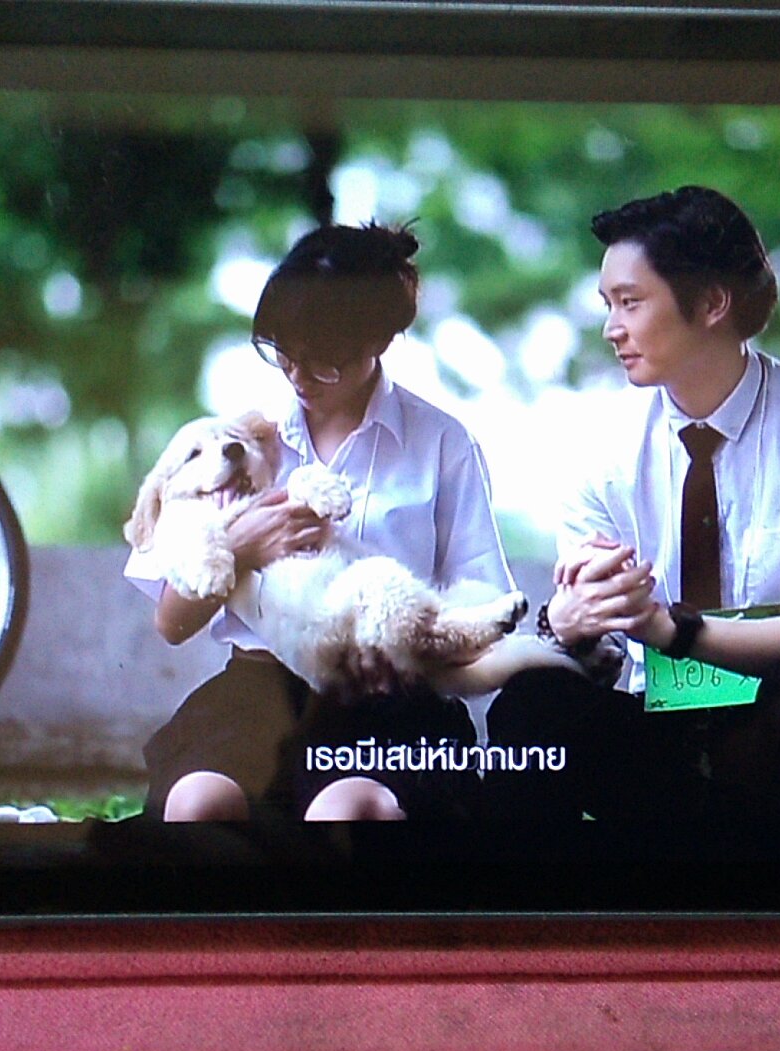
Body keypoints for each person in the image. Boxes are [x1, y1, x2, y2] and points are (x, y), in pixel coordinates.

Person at [485, 186, 780, 824]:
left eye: (630, 302)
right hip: (654, 737)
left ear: (711, 303)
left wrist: (671, 630)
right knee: (531, 704)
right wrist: (569, 624)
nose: (611, 328)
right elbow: (601, 650)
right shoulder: (600, 444)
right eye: (608, 304)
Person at [125, 222, 514, 822]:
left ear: (378, 342)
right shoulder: (236, 443)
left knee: (350, 811)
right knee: (199, 803)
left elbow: (481, 602)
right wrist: (241, 548)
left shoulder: (441, 444)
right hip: (259, 692)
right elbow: (171, 623)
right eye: (283, 353)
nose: (298, 376)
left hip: (388, 699)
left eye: (323, 363)